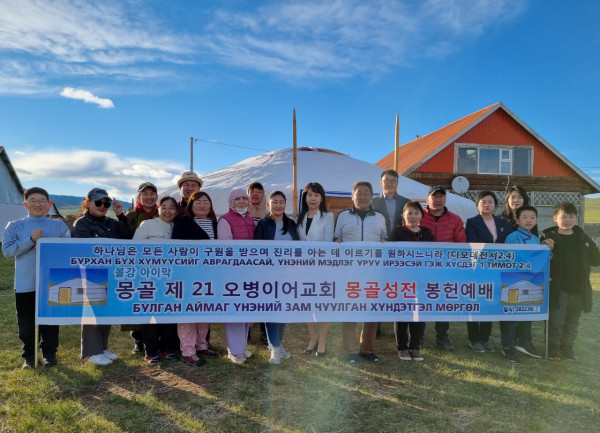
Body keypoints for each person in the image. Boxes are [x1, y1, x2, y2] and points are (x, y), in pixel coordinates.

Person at [2, 187, 71, 368]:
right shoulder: (15, 226)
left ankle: (50, 354)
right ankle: (30, 357)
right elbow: (8, 252)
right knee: (26, 323)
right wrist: (30, 240)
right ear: (25, 204)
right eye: (33, 201)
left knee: (51, 321)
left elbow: (69, 251)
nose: (37, 204)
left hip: (53, 283)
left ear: (49, 205)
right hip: (25, 283)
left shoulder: (59, 226)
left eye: (42, 201)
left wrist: (49, 248)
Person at [72, 188, 134, 365]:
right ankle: (92, 351)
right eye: (98, 202)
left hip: (112, 273)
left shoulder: (112, 222)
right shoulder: (81, 224)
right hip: (91, 274)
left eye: (106, 203)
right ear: (87, 203)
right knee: (91, 312)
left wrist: (120, 215)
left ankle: (103, 347)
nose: (103, 206)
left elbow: (129, 238)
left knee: (106, 311)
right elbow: (81, 251)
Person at [334, 181, 387, 363]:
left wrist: (383, 243)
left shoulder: (379, 217)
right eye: (359, 192)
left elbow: (384, 238)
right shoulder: (343, 216)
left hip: (372, 271)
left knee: (371, 311)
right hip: (349, 272)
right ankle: (351, 349)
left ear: (372, 196)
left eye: (366, 193)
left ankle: (367, 349)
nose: (362, 196)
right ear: (352, 195)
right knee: (350, 309)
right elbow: (336, 238)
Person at [541, 202, 600, 361]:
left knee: (573, 323)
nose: (567, 220)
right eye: (564, 217)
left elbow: (596, 261)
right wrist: (546, 249)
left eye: (571, 217)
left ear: (576, 218)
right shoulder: (548, 238)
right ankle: (552, 350)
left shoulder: (582, 236)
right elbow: (540, 261)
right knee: (556, 321)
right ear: (555, 218)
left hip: (579, 289)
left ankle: (567, 349)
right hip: (558, 288)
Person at [172, 191, 219, 366]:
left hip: (209, 275)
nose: (202, 205)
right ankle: (188, 351)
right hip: (188, 275)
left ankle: (201, 345)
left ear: (211, 205)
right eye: (198, 202)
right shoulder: (183, 223)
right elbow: (176, 251)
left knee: (204, 310)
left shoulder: (215, 224)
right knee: (187, 312)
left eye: (206, 202)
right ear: (190, 206)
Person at [132, 197, 180, 365]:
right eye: (164, 207)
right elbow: (135, 247)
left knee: (169, 314)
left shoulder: (178, 227)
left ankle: (167, 348)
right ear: (158, 209)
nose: (168, 211)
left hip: (172, 278)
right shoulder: (148, 225)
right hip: (150, 278)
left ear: (177, 210)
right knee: (151, 315)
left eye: (172, 207)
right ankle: (150, 351)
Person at [465, 191, 513, 353]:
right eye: (483, 202)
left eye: (490, 202)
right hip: (478, 269)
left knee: (489, 302)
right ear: (477, 205)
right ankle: (474, 339)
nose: (487, 205)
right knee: (475, 303)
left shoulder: (503, 222)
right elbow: (473, 244)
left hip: (497, 270)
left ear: (495, 205)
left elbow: (508, 244)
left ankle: (485, 338)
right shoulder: (472, 222)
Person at [255, 191, 300, 364]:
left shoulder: (291, 224)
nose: (278, 205)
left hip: (288, 274)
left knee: (283, 310)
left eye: (281, 202)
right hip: (269, 275)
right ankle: (274, 347)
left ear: (285, 204)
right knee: (271, 310)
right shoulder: (263, 224)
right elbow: (257, 250)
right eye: (275, 202)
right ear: (269, 204)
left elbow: (298, 248)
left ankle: (279, 343)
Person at [420, 185, 466, 351]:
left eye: (441, 196)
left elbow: (461, 243)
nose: (438, 200)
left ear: (445, 199)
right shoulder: (418, 216)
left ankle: (442, 337)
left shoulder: (455, 219)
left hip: (446, 269)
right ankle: (418, 336)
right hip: (422, 268)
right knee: (421, 301)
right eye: (434, 196)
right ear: (427, 199)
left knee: (443, 303)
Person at [390, 201, 434, 362]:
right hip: (402, 280)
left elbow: (434, 255)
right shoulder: (397, 232)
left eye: (416, 213)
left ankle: (414, 347)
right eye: (410, 213)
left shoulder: (427, 233)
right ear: (403, 215)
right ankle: (402, 348)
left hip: (422, 280)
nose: (413, 216)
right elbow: (390, 255)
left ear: (422, 215)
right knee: (402, 313)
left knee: (419, 313)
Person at [217, 189, 256, 363]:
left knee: (246, 309)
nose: (241, 201)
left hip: (250, 271)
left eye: (244, 198)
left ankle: (241, 347)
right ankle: (234, 350)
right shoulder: (225, 220)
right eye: (237, 199)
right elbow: (226, 248)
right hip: (234, 272)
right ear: (231, 202)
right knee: (234, 311)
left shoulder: (249, 219)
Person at [296, 182, 334, 357]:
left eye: (316, 195)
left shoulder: (327, 216)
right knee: (307, 306)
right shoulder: (300, 217)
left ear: (322, 198)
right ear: (305, 197)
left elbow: (327, 244)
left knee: (323, 306)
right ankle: (312, 339)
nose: (313, 198)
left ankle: (323, 341)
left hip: (322, 269)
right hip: (303, 269)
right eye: (309, 194)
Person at [502, 205, 543, 362]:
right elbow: (510, 259)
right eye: (525, 217)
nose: (529, 220)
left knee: (528, 313)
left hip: (532, 282)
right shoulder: (512, 237)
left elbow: (539, 260)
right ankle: (507, 346)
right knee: (512, 316)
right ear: (517, 220)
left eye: (532, 217)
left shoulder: (536, 239)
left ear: (536, 220)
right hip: (514, 281)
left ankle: (525, 342)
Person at [124, 181, 159, 354]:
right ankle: (138, 340)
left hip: (159, 267)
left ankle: (157, 339)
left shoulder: (162, 213)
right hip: (136, 266)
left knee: (157, 302)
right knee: (138, 303)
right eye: (145, 194)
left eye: (152, 193)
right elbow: (124, 236)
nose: (149, 197)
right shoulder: (131, 215)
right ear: (139, 197)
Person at [372, 169, 410, 239]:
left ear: (397, 183)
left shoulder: (406, 202)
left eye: (393, 180)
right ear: (381, 183)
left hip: (400, 239)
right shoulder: (373, 202)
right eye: (386, 180)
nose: (389, 183)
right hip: (379, 240)